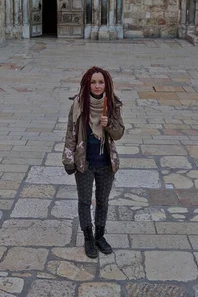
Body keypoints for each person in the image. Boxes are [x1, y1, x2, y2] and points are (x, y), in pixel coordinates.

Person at [62, 66, 125, 258]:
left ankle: (100, 236)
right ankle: (88, 238)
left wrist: (109, 125)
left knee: (103, 201)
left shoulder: (112, 104)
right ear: (87, 84)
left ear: (106, 84)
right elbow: (71, 133)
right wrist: (68, 159)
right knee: (84, 200)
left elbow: (119, 133)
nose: (97, 86)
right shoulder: (79, 105)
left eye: (100, 82)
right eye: (93, 82)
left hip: (106, 162)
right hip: (85, 162)